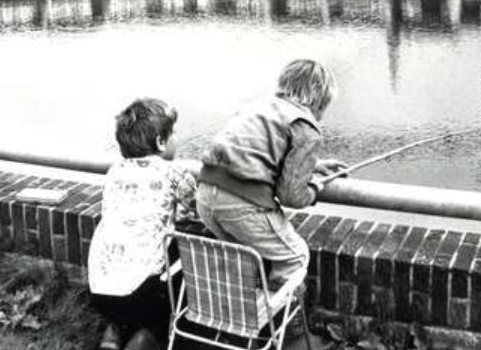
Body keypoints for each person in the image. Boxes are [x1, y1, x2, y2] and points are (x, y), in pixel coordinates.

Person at [196, 59, 347, 293]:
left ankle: (240, 321)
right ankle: (285, 326)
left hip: (206, 195)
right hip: (241, 205)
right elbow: (291, 196)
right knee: (294, 258)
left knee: (243, 258)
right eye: (324, 107)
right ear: (319, 99)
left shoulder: (259, 105)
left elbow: (257, 151)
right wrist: (315, 189)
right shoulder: (305, 126)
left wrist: (312, 165)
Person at [88, 98, 198, 350]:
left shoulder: (114, 171)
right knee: (181, 265)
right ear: (161, 142)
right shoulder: (174, 173)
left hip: (99, 291)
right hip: (143, 294)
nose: (176, 139)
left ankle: (113, 332)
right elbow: (196, 208)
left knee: (129, 280)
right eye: (174, 134)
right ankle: (147, 337)